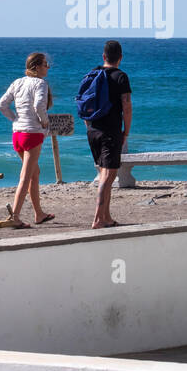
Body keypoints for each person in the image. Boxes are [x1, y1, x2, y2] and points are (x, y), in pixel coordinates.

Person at [0, 52, 56, 228]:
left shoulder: (18, 82)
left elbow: (1, 104)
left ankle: (39, 213)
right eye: (45, 64)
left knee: (34, 173)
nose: (47, 67)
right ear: (36, 67)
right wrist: (44, 121)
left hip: (18, 133)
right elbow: (38, 105)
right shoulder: (40, 84)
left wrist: (15, 119)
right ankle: (14, 216)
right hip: (32, 133)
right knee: (25, 176)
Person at [84, 40, 131, 229]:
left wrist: (89, 126)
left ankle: (107, 216)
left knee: (105, 172)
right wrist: (126, 132)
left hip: (93, 130)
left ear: (104, 56)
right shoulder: (121, 77)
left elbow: (83, 103)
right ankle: (97, 218)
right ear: (120, 58)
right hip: (110, 131)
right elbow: (126, 106)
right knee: (108, 176)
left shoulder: (92, 74)